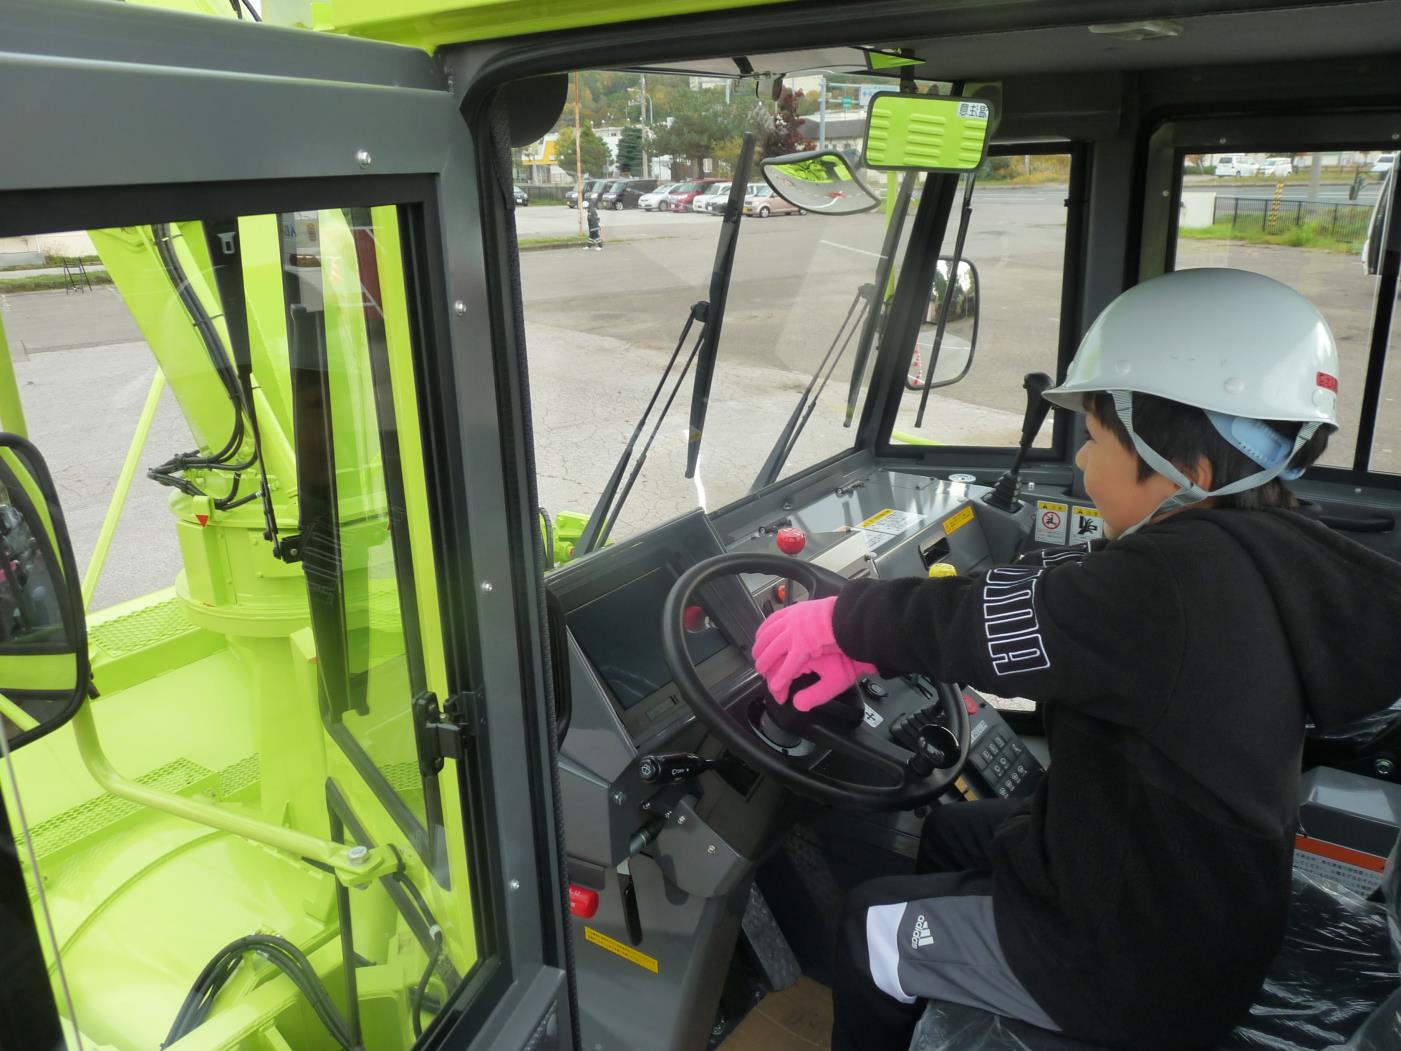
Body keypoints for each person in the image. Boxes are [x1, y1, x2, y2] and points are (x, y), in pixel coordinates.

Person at [751, 268, 1401, 1050]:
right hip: (1202, 905)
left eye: (1093, 440)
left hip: (1134, 970)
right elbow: (1062, 608)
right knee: (958, 831)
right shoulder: (1269, 556)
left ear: (1185, 469)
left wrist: (842, 624)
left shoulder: (1174, 578)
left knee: (868, 928)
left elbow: (987, 624)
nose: (1084, 468)